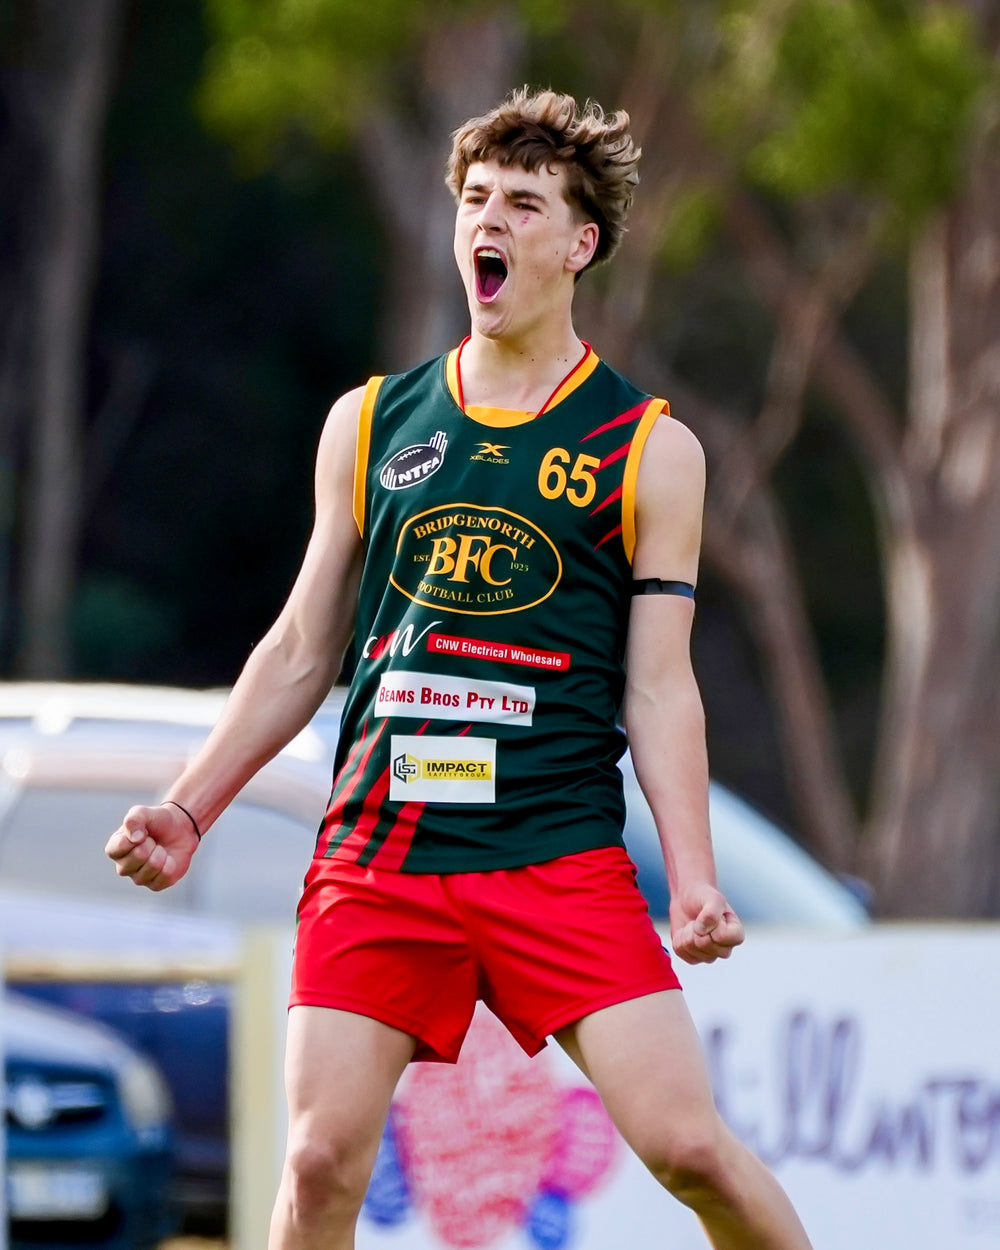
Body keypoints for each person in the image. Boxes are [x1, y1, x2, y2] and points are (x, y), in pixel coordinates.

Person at [106, 87, 812, 1250]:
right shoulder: (373, 420)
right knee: (320, 1160)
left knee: (692, 1152)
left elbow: (658, 684)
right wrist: (192, 803)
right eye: (476, 200)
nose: (489, 221)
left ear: (579, 245)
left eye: (523, 205)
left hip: (556, 853)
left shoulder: (648, 448)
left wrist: (688, 875)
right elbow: (298, 646)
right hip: (381, 854)